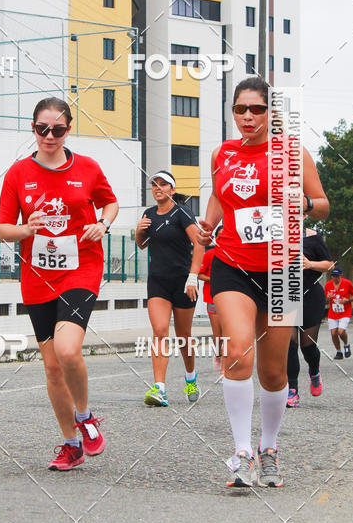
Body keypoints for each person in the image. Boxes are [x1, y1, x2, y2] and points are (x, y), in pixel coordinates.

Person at [197, 76, 329, 488]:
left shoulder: (291, 152)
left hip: (282, 268)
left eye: (257, 109)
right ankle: (241, 452)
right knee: (237, 352)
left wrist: (302, 203)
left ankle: (268, 449)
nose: (248, 117)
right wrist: (207, 228)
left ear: (272, 113)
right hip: (232, 264)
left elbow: (322, 206)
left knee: (274, 374)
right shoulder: (223, 153)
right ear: (233, 112)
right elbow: (220, 198)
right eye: (241, 109)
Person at [0, 97, 118, 471]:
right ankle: (71, 445)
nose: (49, 136)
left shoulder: (87, 167)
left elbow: (110, 203)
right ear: (33, 129)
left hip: (80, 269)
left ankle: (85, 416)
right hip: (37, 277)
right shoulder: (18, 173)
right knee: (52, 367)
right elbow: (4, 230)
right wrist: (27, 229)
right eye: (42, 129)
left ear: (68, 130)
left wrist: (104, 224)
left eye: (58, 129)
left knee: (67, 351)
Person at [135, 172, 204, 406]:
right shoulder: (149, 214)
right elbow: (143, 245)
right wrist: (138, 231)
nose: (158, 188)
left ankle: (191, 377)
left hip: (183, 282)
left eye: (163, 184)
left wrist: (193, 277)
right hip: (158, 281)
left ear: (172, 190)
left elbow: (199, 243)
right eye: (154, 184)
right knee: (160, 330)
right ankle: (159, 389)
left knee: (184, 336)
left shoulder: (181, 212)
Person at [286, 228, 333, 407]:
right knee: (290, 344)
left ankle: (314, 372)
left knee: (308, 346)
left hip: (310, 296)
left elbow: (330, 265)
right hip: (284, 295)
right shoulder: (273, 234)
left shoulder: (313, 237)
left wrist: (310, 264)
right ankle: (292, 390)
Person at [198, 228, 223, 373]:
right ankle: (218, 355)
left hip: (229, 299)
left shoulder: (232, 255)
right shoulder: (209, 254)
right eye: (219, 237)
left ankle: (224, 370)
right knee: (218, 333)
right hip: (211, 297)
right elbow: (199, 274)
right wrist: (214, 279)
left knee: (228, 333)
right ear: (215, 238)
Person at [324, 268, 353, 359]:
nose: (335, 278)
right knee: (334, 333)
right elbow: (325, 302)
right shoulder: (328, 285)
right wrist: (327, 298)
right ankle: (339, 352)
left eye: (337, 276)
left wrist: (347, 300)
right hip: (333, 313)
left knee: (340, 331)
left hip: (345, 312)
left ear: (341, 276)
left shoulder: (347, 283)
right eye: (334, 276)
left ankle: (346, 345)